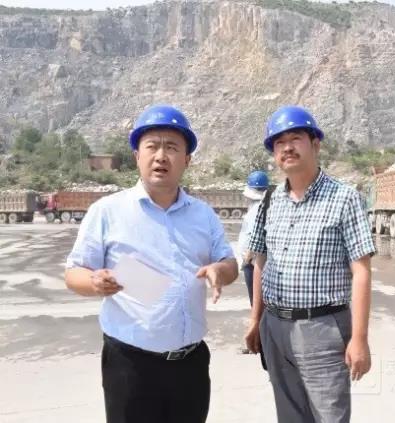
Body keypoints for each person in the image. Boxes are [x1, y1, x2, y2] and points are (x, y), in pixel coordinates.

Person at [64, 104, 238, 423]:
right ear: (136, 156)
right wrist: (94, 282)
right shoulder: (108, 211)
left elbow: (230, 263)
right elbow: (74, 272)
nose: (161, 156)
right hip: (130, 366)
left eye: (171, 147)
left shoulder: (203, 214)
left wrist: (220, 271)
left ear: (187, 159)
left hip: (190, 365)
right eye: (152, 146)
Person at [244, 105, 376, 422]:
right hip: (274, 327)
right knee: (289, 414)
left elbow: (361, 272)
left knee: (328, 415)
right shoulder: (269, 201)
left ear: (315, 144)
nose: (287, 148)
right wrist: (255, 320)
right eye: (279, 142)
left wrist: (359, 339)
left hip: (323, 328)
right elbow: (260, 262)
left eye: (295, 139)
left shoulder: (345, 198)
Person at [238, 170, 270, 306]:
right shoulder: (264, 206)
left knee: (256, 301)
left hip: (253, 262)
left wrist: (247, 259)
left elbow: (253, 235)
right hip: (257, 261)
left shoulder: (256, 209)